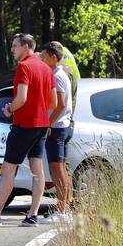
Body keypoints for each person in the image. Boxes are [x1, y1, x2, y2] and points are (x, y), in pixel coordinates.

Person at [0, 33, 54, 227]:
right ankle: (32, 215)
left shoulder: (24, 66)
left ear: (26, 47)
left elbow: (21, 98)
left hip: (25, 125)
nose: (12, 49)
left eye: (14, 46)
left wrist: (9, 109)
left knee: (8, 169)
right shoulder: (46, 67)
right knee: (37, 170)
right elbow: (54, 101)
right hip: (42, 125)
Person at [38, 42, 72, 223]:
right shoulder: (58, 74)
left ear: (53, 56)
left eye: (43, 56)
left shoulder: (57, 76)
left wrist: (48, 124)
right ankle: (64, 209)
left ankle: (61, 211)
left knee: (57, 169)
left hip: (57, 128)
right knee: (61, 169)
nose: (41, 59)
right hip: (62, 127)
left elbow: (59, 104)